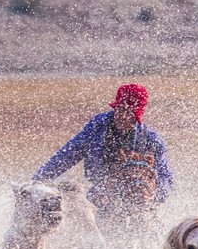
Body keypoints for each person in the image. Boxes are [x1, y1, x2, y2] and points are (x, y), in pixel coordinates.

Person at [32, 84, 174, 219]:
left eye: (129, 113)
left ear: (138, 115)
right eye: (120, 109)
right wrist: (38, 179)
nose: (123, 116)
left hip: (139, 199)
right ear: (115, 107)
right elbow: (69, 154)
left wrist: (153, 194)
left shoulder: (152, 142)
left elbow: (166, 178)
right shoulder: (97, 128)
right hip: (100, 193)